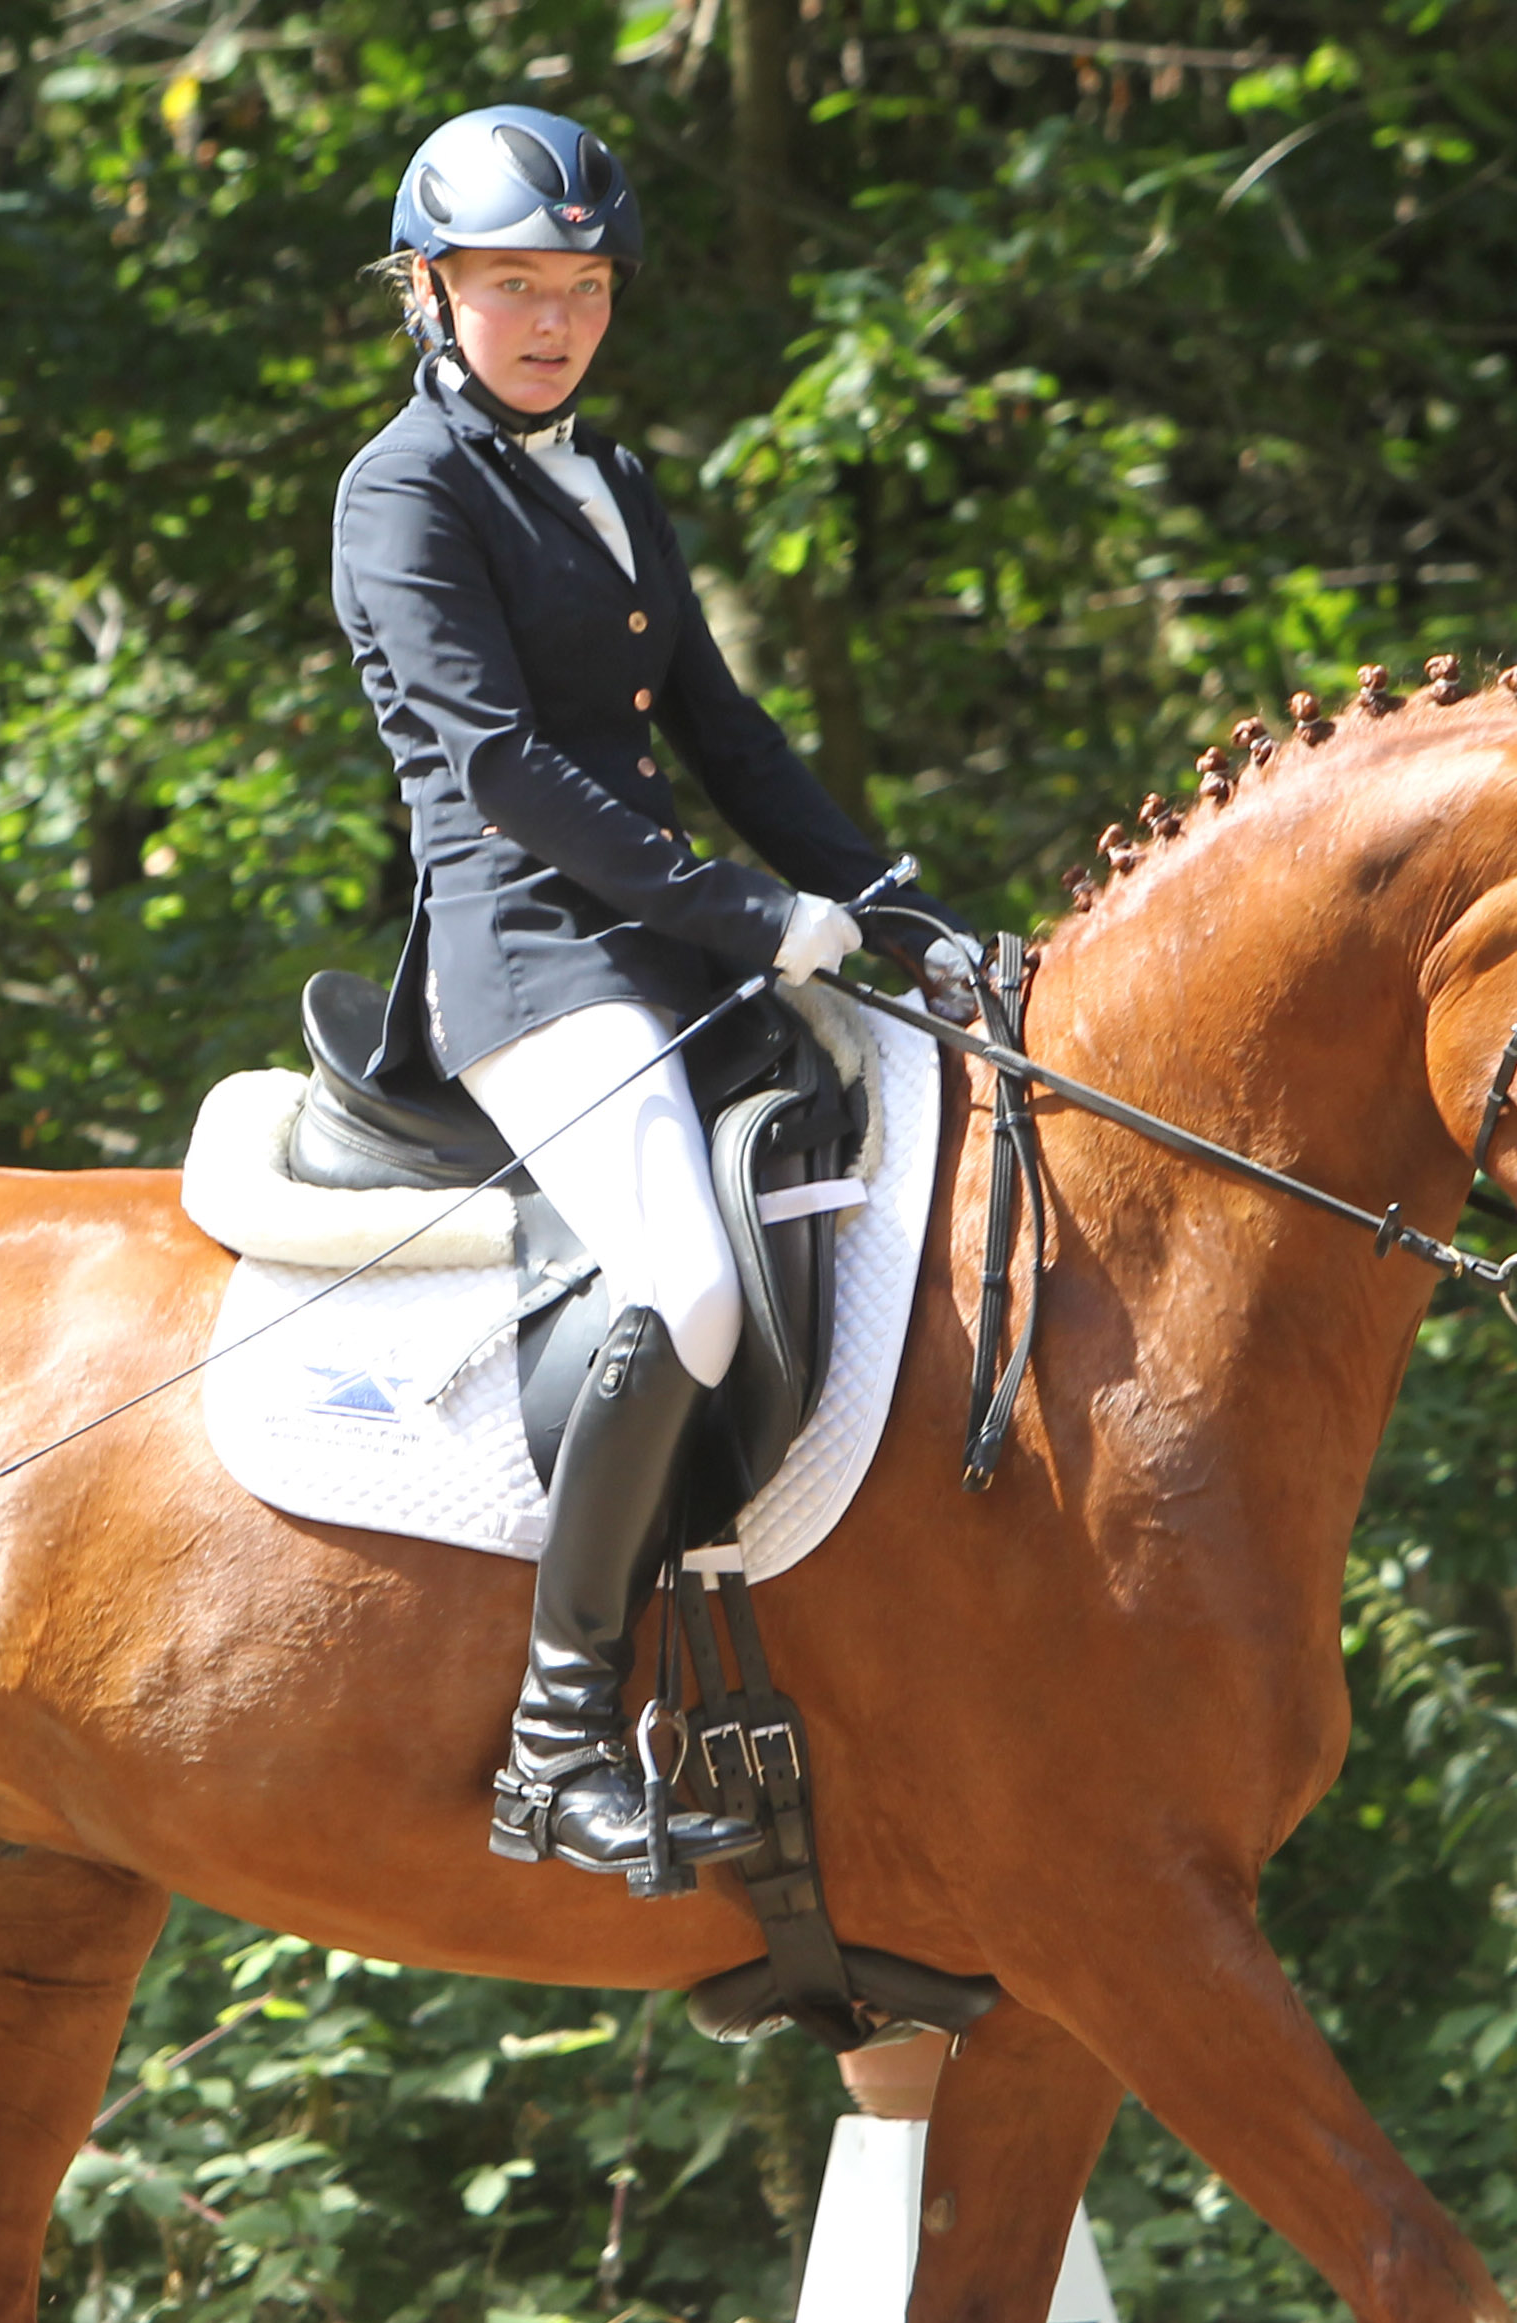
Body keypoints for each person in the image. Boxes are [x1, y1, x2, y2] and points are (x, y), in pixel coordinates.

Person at [329, 104, 982, 1886]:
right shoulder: (405, 488)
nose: (555, 321)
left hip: (669, 941)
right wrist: (747, 913)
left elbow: (724, 730)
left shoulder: (612, 480)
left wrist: (894, 902)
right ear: (433, 288)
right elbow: (503, 771)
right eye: (516, 286)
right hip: (530, 959)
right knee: (684, 1285)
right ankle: (555, 1737)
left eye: (587, 287)